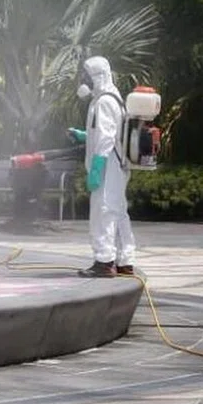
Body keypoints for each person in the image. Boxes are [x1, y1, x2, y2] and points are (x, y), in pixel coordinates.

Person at [67, 56, 136, 277]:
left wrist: (96, 168)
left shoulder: (103, 101)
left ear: (97, 77)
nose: (83, 80)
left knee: (104, 211)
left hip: (107, 165)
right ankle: (125, 261)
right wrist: (85, 136)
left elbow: (106, 138)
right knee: (118, 211)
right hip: (116, 163)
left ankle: (104, 261)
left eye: (86, 76)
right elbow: (109, 133)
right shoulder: (112, 97)